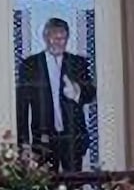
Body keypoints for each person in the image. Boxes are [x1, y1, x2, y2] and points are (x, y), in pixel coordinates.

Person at [16, 16, 96, 173]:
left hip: (73, 139)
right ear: (46, 38)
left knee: (74, 188)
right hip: (43, 139)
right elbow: (22, 106)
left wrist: (77, 92)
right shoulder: (30, 65)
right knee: (46, 188)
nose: (60, 42)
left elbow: (91, 94)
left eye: (63, 38)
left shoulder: (78, 63)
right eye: (55, 37)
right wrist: (23, 142)